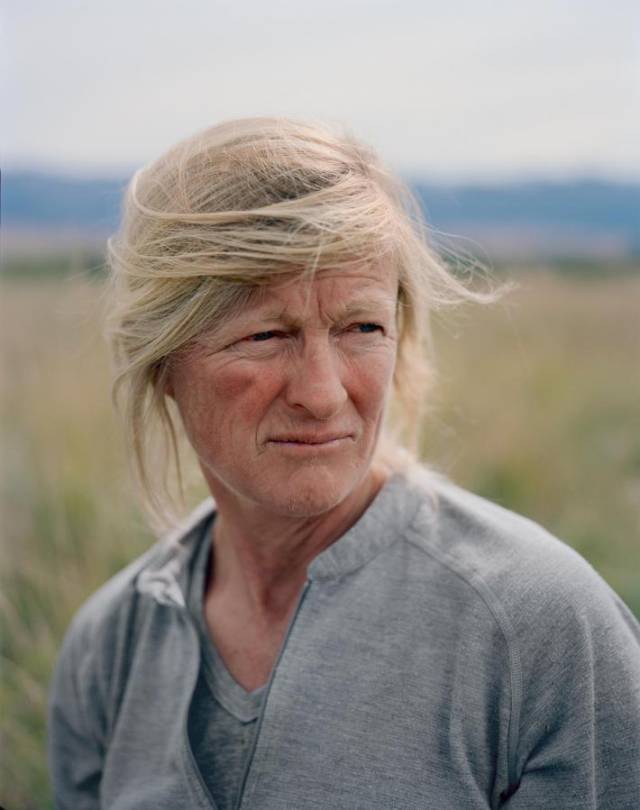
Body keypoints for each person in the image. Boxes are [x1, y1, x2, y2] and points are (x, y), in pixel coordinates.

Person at [48, 117, 640, 810]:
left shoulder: (539, 630)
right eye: (265, 335)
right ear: (163, 363)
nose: (324, 394)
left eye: (362, 328)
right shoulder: (110, 649)